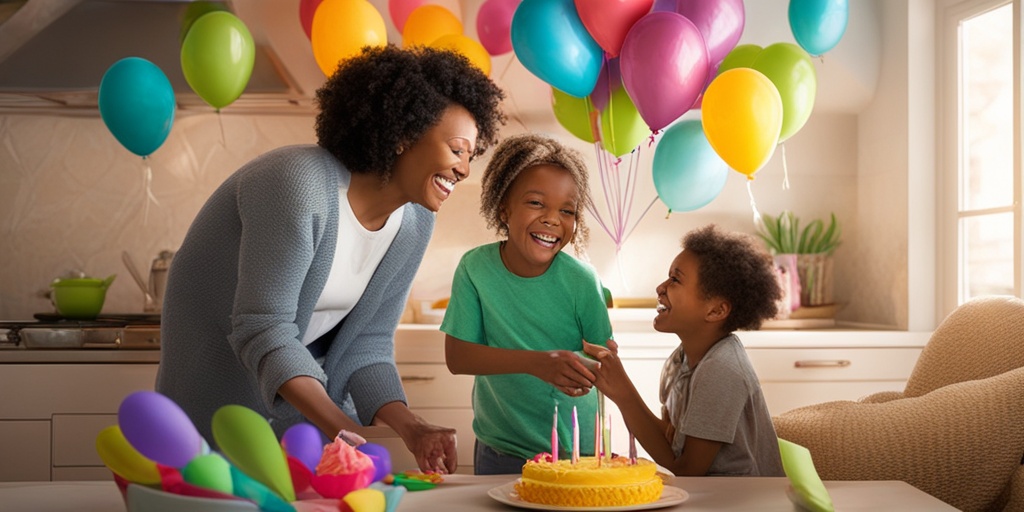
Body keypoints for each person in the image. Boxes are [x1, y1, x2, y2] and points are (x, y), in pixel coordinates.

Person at [155, 45, 506, 474]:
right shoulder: (297, 185)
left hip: (304, 420)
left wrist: (411, 428)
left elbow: (367, 345)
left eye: (471, 155)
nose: (464, 169)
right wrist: (343, 428)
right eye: (456, 149)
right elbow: (263, 329)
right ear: (402, 134)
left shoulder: (414, 221)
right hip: (219, 407)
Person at [440, 133, 615, 474]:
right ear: (504, 207)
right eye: (536, 203)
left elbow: (607, 366)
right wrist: (538, 363)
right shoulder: (475, 269)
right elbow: (457, 357)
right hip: (500, 449)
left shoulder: (582, 280)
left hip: (575, 453)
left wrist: (591, 370)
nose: (553, 219)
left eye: (568, 210)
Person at [584, 224, 785, 477]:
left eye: (675, 280)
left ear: (716, 310)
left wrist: (623, 390)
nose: (661, 287)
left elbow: (689, 470)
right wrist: (617, 388)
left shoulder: (721, 370)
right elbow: (672, 450)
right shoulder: (678, 362)